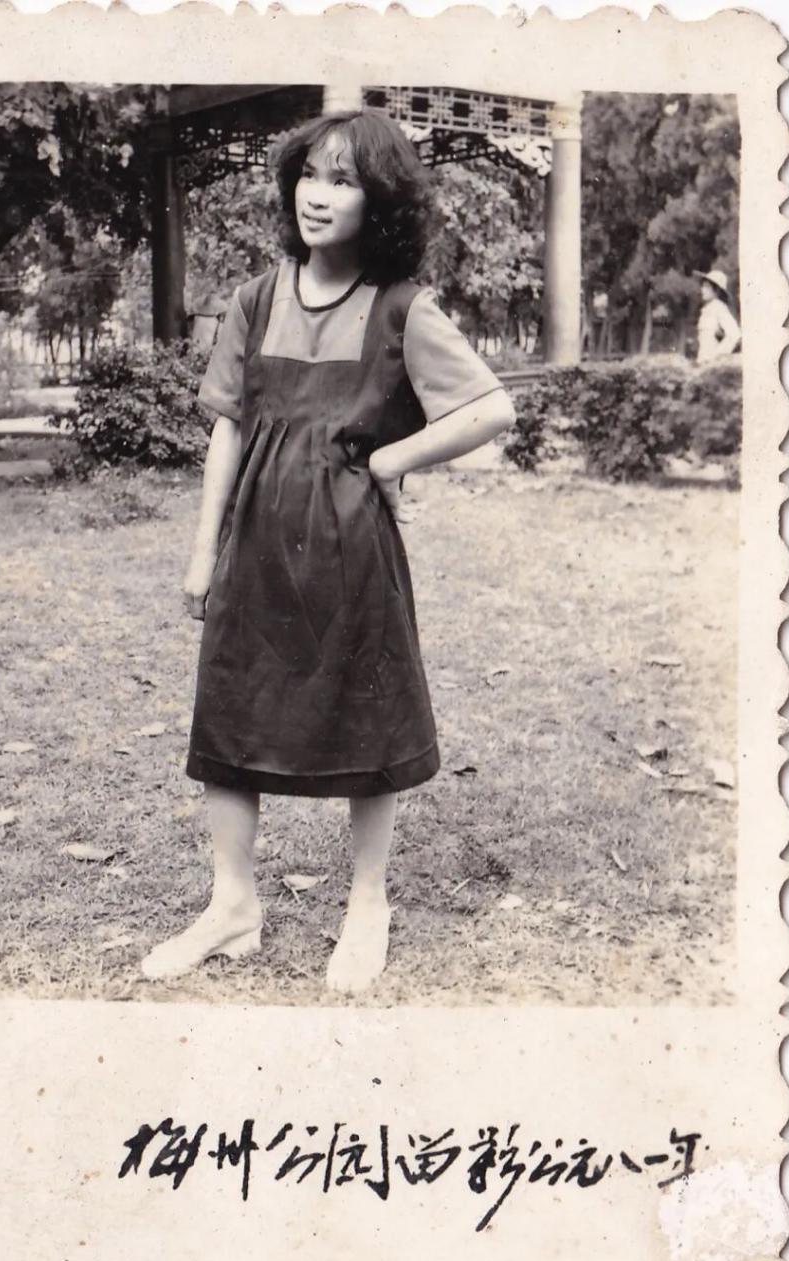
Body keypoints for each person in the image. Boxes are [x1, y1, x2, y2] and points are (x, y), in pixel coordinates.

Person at [140, 109, 517, 992]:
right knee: (229, 713)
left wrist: (391, 457)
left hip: (352, 549)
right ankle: (232, 905)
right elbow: (229, 432)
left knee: (365, 715)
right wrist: (202, 553)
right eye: (310, 174)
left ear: (379, 201)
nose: (319, 194)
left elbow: (491, 407)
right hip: (255, 543)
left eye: (344, 180)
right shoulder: (253, 299)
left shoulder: (403, 308)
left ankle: (368, 904)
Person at [695, 269, 741, 364]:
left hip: (711, 365)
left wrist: (716, 356)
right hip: (701, 363)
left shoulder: (719, 308)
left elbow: (734, 334)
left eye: (707, 286)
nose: (703, 290)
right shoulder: (707, 309)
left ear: (717, 290)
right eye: (703, 286)